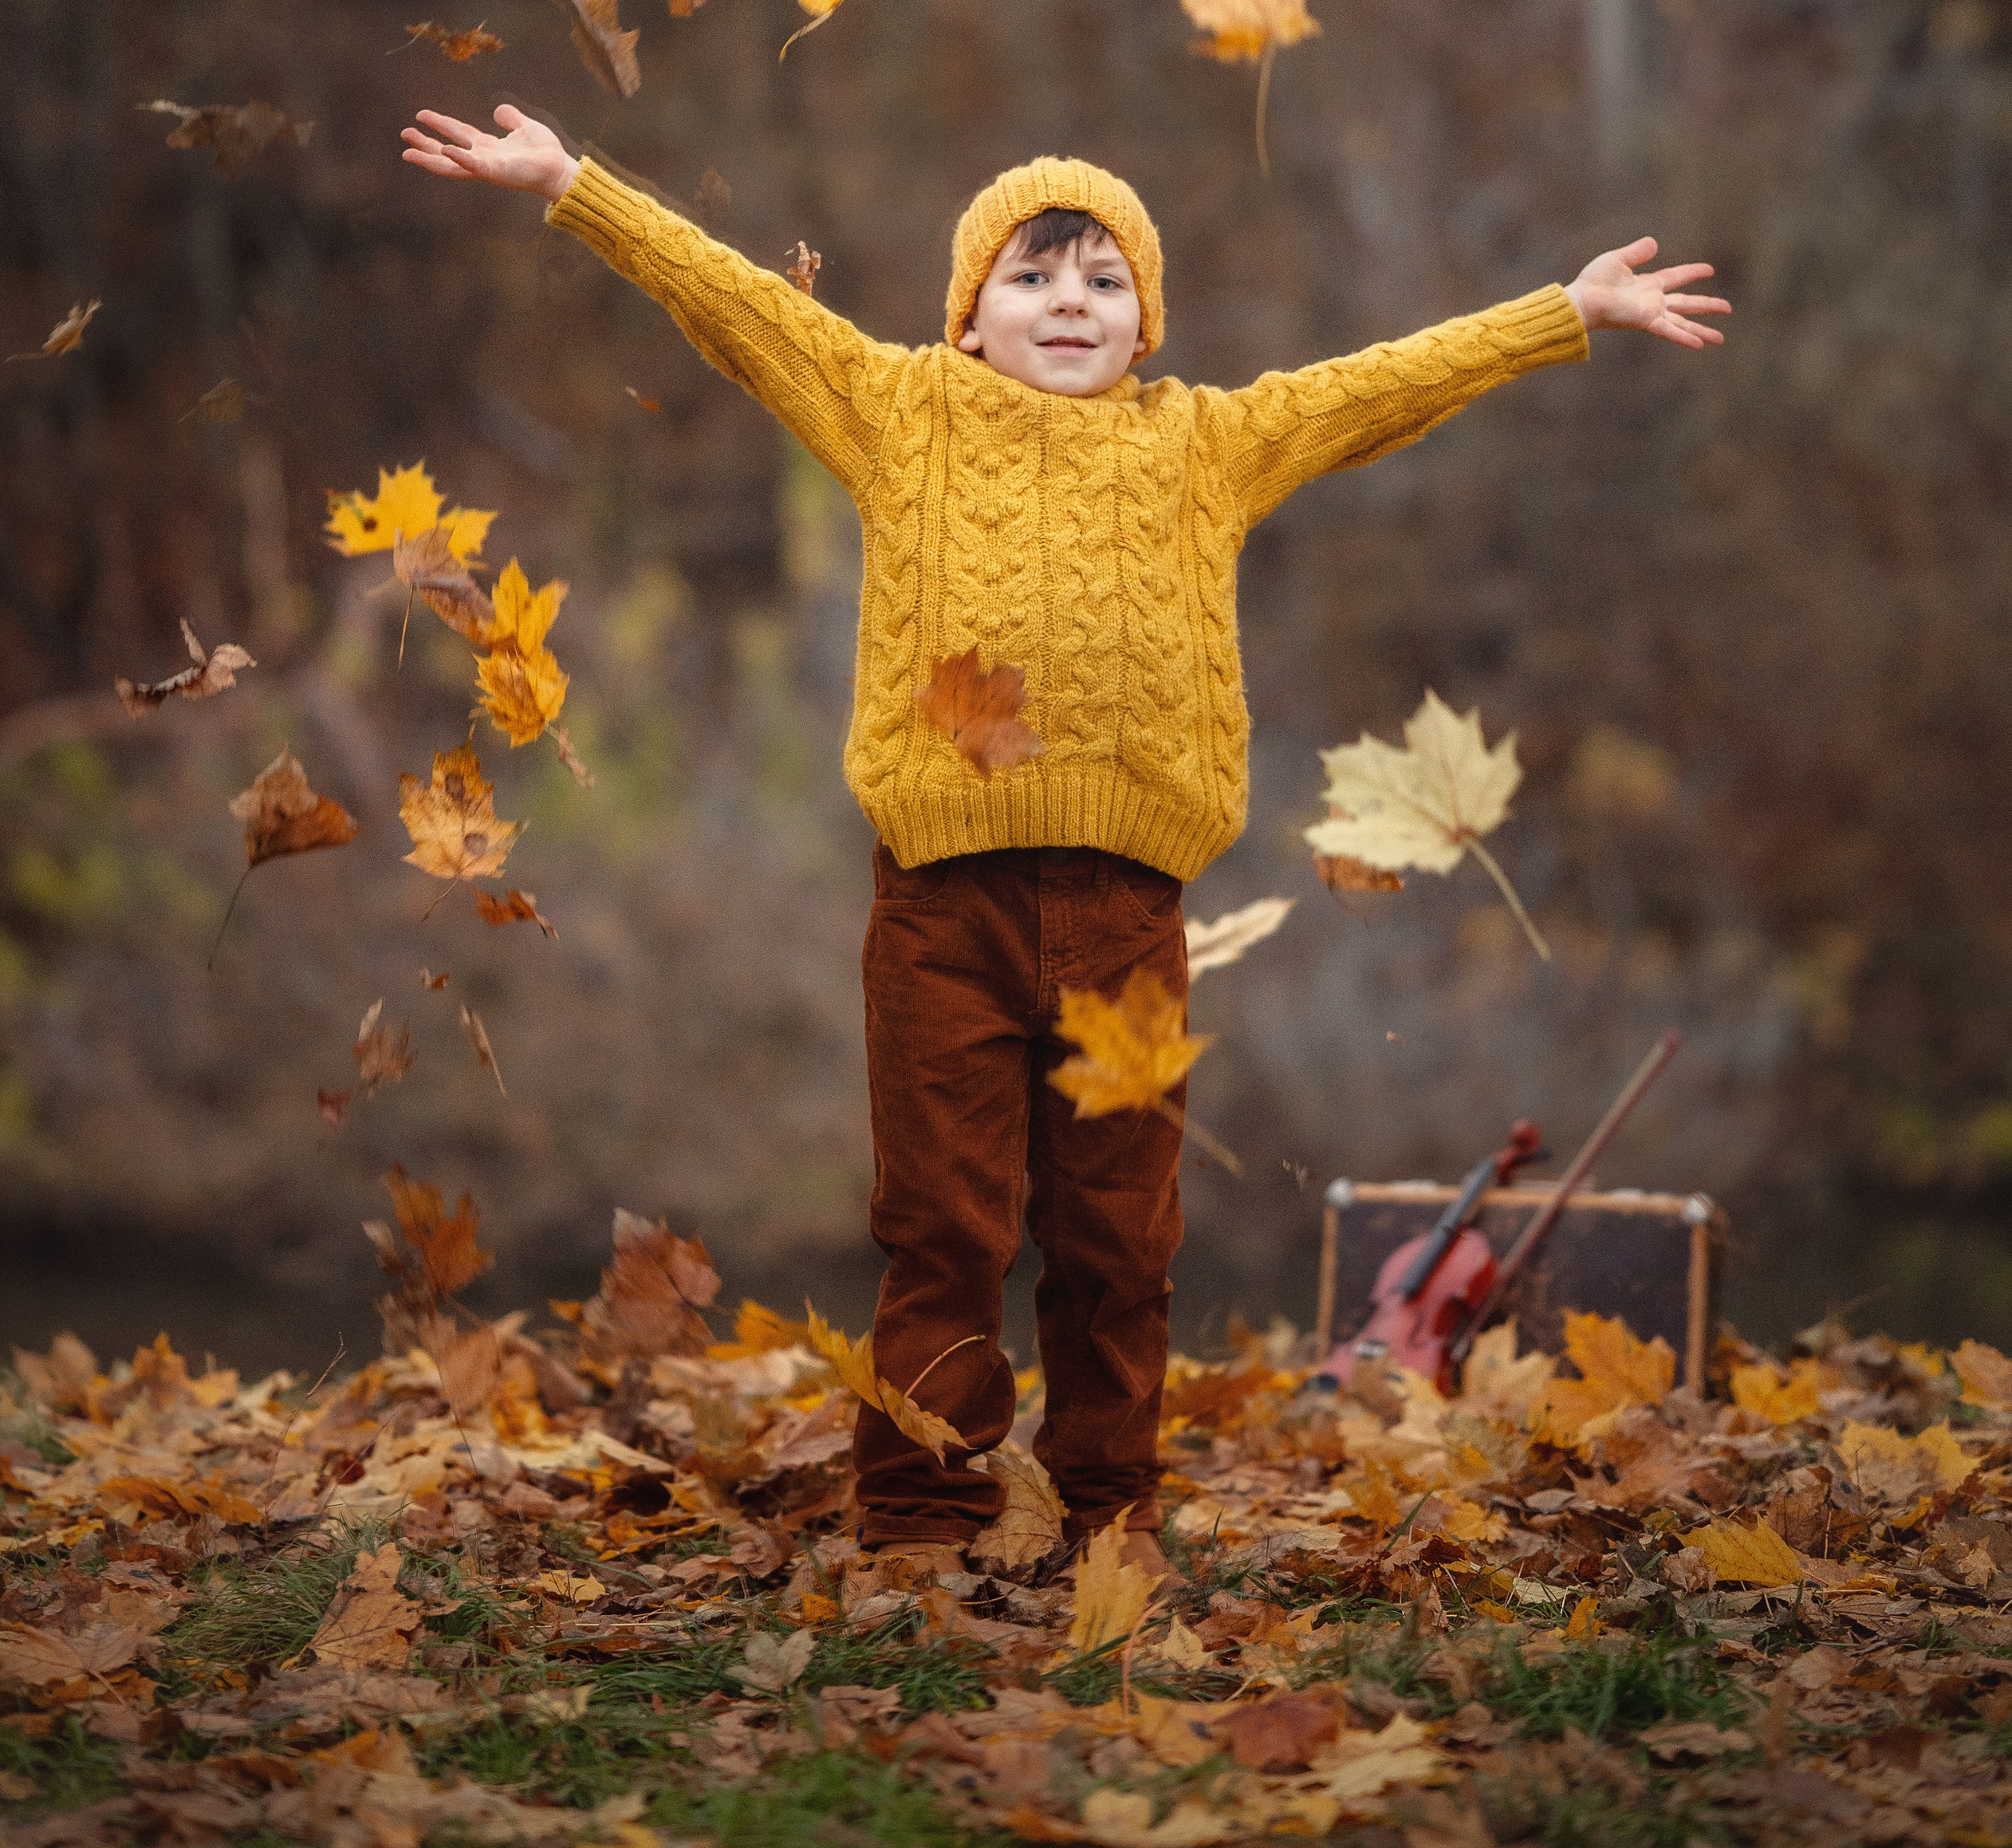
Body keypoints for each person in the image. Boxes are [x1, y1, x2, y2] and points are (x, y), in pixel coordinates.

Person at [401, 104, 1729, 1578]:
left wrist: (1567, 311)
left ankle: (1109, 1518)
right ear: (967, 321)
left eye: (1103, 279)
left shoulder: (1209, 443)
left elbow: (1381, 388)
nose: (1070, 303)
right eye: (1031, 278)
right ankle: (921, 1519)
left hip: (1128, 920)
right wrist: (574, 185)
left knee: (1119, 1245)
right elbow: (735, 304)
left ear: (1146, 321)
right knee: (943, 1229)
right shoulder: (899, 409)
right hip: (940, 913)